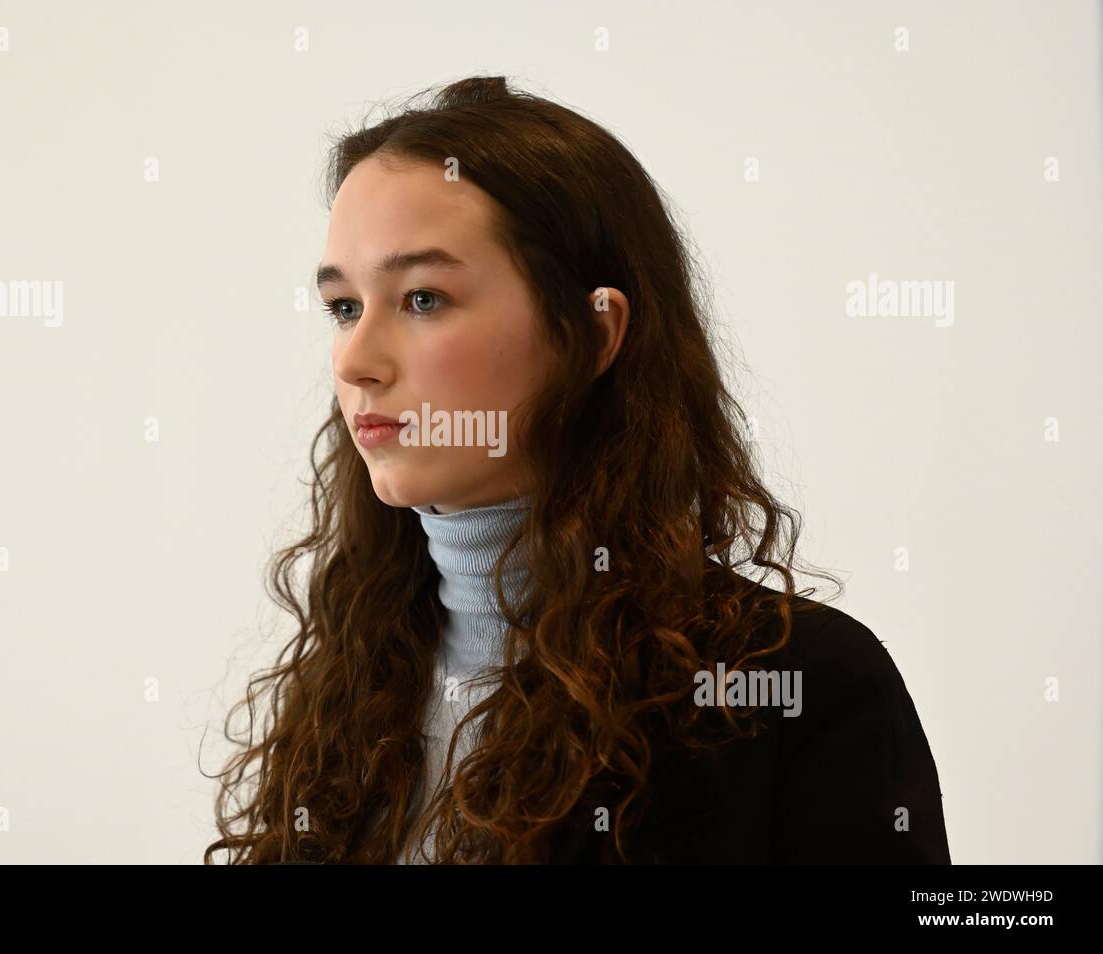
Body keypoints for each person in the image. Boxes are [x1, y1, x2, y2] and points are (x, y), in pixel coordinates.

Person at [205, 74, 950, 864]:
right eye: (344, 307)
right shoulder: (348, 683)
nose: (355, 360)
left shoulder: (792, 688)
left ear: (593, 333)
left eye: (423, 299)